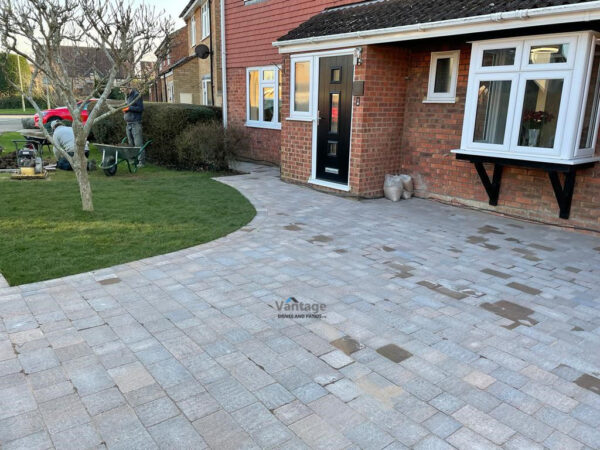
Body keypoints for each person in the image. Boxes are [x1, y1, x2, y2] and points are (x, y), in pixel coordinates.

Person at [123, 87, 145, 166]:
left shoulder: (136, 95)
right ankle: (133, 161)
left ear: (128, 87)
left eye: (123, 89)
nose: (122, 91)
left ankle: (141, 162)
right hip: (128, 123)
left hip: (135, 123)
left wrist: (129, 108)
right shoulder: (127, 96)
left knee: (138, 144)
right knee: (130, 143)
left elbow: (140, 108)